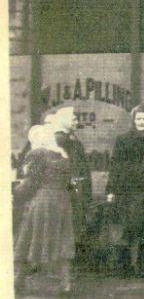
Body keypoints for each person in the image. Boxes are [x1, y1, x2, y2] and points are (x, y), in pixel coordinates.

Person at [13, 124, 76, 296]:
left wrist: (14, 192)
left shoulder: (37, 154)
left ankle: (18, 281)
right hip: (62, 201)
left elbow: (30, 183)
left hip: (43, 202)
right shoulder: (62, 155)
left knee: (26, 239)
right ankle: (66, 284)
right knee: (62, 241)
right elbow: (69, 181)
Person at [105, 104, 144, 276]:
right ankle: (123, 267)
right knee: (125, 228)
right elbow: (115, 167)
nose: (142, 122)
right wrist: (111, 190)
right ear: (133, 120)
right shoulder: (123, 140)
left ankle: (142, 267)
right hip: (126, 191)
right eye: (138, 118)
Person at [52, 107, 93, 265]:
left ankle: (76, 262)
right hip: (69, 189)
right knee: (70, 225)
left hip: (77, 186)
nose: (76, 122)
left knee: (77, 223)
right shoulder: (60, 139)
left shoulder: (71, 138)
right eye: (73, 119)